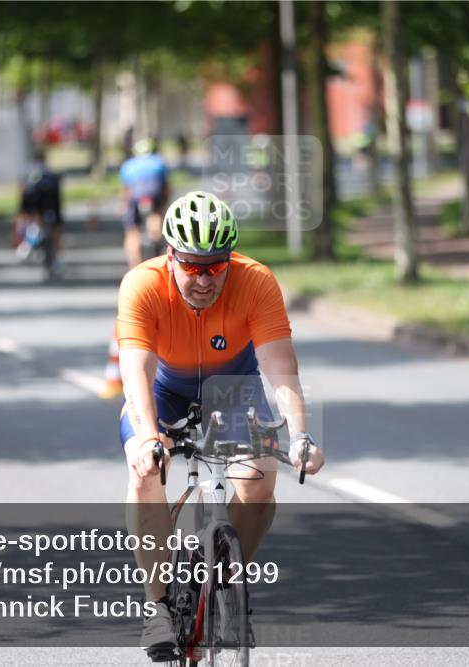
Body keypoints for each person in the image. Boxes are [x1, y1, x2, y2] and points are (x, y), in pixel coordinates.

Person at [115, 191, 325, 660]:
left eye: (215, 265)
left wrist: (301, 434)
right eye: (192, 266)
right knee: (145, 472)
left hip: (233, 388)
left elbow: (279, 365)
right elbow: (136, 371)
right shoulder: (141, 284)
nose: (205, 278)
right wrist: (149, 435)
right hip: (164, 391)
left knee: (260, 479)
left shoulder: (255, 281)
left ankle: (224, 586)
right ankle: (158, 607)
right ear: (170, 255)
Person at [119, 138, 169, 269]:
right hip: (154, 193)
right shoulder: (159, 162)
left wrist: (124, 205)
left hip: (135, 195)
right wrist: (163, 206)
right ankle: (158, 248)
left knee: (132, 230)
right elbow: (165, 187)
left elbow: (126, 190)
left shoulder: (128, 165)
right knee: (155, 217)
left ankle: (134, 266)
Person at [17, 151, 64, 280]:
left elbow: (25, 197)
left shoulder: (28, 175)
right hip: (50, 210)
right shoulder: (51, 176)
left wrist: (23, 213)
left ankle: (28, 246)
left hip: (35, 209)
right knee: (52, 236)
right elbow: (57, 199)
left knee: (36, 230)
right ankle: (55, 262)